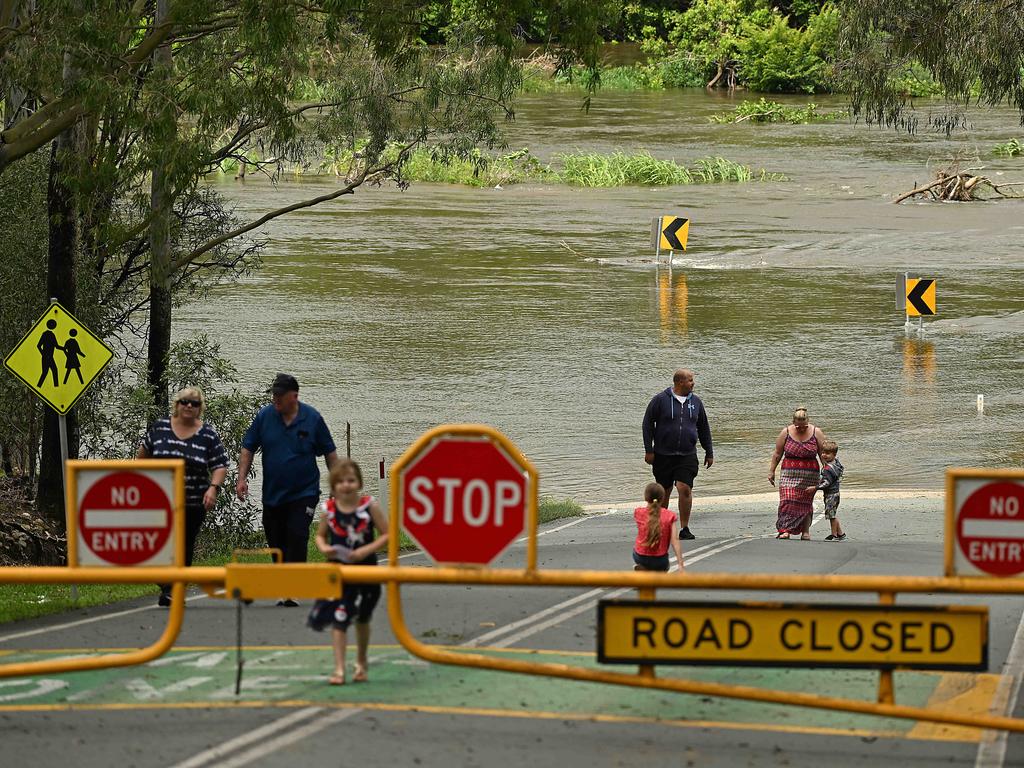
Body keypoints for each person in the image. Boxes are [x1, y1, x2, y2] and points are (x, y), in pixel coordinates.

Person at [237, 373, 338, 606]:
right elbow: (248, 447)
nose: (275, 400)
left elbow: (330, 453)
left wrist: (337, 486)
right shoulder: (264, 416)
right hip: (273, 494)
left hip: (304, 492)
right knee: (275, 538)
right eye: (273, 395)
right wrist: (241, 478)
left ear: (294, 396)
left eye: (280, 396)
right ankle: (285, 581)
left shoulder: (312, 419)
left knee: (297, 534)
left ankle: (291, 588)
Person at [137, 386, 229, 607]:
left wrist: (213, 488)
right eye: (185, 402)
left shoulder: (207, 434)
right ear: (176, 405)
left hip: (193, 501)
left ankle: (174, 589)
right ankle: (164, 581)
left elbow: (220, 465)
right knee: (159, 544)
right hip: (160, 500)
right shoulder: (159, 428)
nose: (189, 406)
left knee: (184, 544)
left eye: (194, 403)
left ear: (200, 409)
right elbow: (142, 459)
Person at [308, 459, 389, 685]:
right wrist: (325, 548)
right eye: (341, 481)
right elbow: (320, 536)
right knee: (340, 617)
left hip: (367, 571)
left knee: (363, 617)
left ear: (359, 483)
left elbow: (386, 534)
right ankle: (339, 668)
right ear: (334, 486)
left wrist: (365, 550)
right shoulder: (329, 511)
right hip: (341, 572)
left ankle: (361, 661)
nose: (346, 485)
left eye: (351, 480)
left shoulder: (369, 507)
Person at [642, 368, 714, 540]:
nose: (693, 383)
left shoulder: (696, 402)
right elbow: (647, 424)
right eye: (690, 380)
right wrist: (649, 450)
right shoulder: (660, 400)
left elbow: (704, 427)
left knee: (684, 488)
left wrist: (709, 451)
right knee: (664, 491)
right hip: (663, 454)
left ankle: (685, 528)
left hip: (687, 454)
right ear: (679, 382)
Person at [768, 407, 827, 540]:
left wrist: (827, 470)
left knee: (805, 502)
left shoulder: (816, 432)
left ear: (808, 421)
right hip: (789, 473)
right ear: (793, 422)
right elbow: (777, 454)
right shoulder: (786, 432)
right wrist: (771, 471)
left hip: (810, 474)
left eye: (804, 426)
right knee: (787, 500)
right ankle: (785, 529)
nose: (801, 429)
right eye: (798, 426)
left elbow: (823, 454)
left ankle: (805, 531)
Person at [631, 482, 684, 572]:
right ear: (663, 498)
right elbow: (675, 541)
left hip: (641, 556)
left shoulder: (638, 512)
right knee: (664, 567)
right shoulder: (670, 516)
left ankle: (644, 567)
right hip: (660, 559)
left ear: (645, 497)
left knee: (638, 551)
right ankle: (659, 571)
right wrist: (680, 564)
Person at [811, 440, 846, 541]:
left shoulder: (827, 469)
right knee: (832, 513)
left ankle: (834, 535)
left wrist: (815, 487)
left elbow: (826, 483)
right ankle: (840, 533)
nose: (824, 455)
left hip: (831, 494)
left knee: (831, 516)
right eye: (823, 452)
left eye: (827, 453)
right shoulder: (836, 463)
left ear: (834, 454)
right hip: (836, 493)